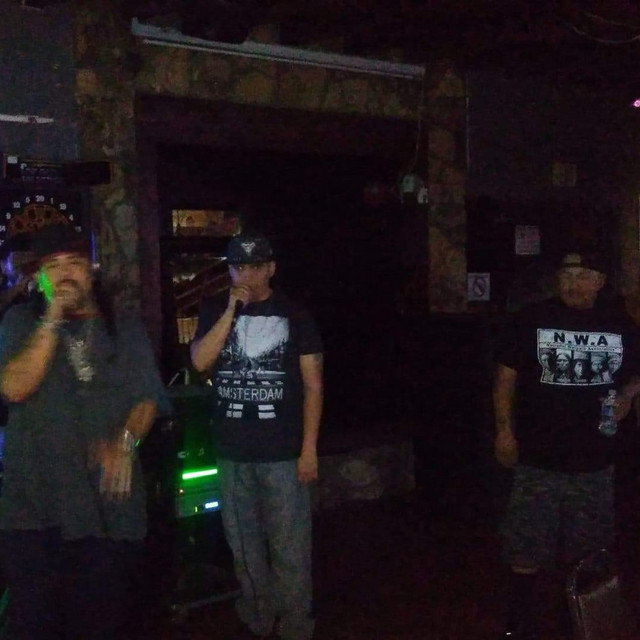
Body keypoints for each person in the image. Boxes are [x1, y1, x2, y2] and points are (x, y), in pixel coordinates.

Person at [0, 223, 166, 639]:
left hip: (106, 511)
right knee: (32, 624)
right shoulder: (20, 321)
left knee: (97, 623)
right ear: (39, 277)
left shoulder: (122, 325)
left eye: (73, 262)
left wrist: (124, 442)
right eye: (52, 266)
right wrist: (53, 317)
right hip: (34, 512)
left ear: (91, 270)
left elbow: (147, 398)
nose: (64, 274)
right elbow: (14, 388)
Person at [493, 248, 640, 639]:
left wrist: (628, 395)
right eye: (567, 275)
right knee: (525, 544)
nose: (574, 284)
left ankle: (578, 621)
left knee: (589, 548)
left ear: (600, 282)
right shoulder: (531, 318)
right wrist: (504, 431)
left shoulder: (619, 323)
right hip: (538, 456)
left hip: (596, 458)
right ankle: (521, 623)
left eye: (583, 275)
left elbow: (636, 371)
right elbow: (505, 379)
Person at [191, 230, 323, 640]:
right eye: (238, 267)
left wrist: (309, 449)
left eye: (254, 267)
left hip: (283, 452)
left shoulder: (295, 314)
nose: (245, 275)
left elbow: (313, 385)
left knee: (290, 545)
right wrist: (231, 312)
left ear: (271, 268)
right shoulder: (215, 309)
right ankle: (258, 617)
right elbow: (200, 362)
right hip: (232, 450)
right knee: (244, 547)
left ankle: (295, 624)